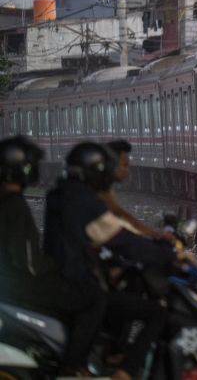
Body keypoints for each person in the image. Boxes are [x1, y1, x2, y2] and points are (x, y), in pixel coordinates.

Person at [44, 142, 179, 380]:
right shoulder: (83, 201)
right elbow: (119, 238)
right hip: (75, 282)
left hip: (62, 278)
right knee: (155, 312)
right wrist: (166, 255)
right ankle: (120, 371)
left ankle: (108, 353)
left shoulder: (63, 193)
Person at [0, 136, 107, 376]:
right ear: (22, 169)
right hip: (21, 284)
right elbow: (28, 262)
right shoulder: (15, 205)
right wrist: (55, 265)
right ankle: (72, 367)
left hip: (9, 282)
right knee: (92, 298)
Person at [99, 139, 169, 240]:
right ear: (111, 164)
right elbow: (119, 223)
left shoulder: (102, 187)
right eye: (124, 165)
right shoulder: (95, 192)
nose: (128, 170)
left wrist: (155, 234)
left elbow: (119, 213)